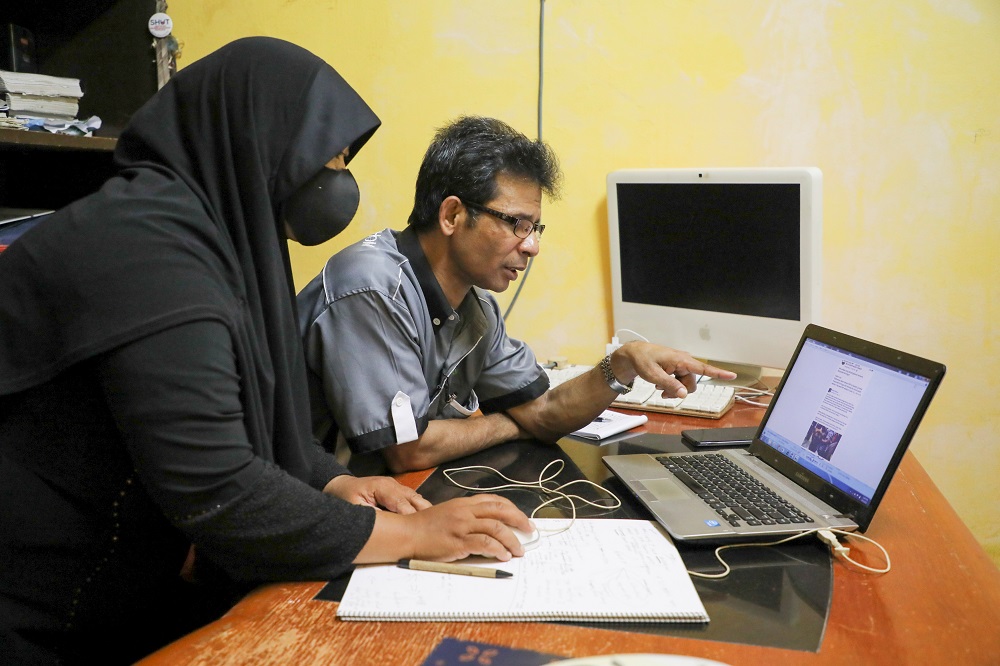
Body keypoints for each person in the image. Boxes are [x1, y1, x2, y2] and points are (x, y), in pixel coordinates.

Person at [0, 39, 531, 666]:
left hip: (119, 590)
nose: (340, 182)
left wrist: (332, 481)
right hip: (37, 615)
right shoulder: (144, 247)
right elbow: (221, 489)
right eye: (331, 159)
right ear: (264, 138)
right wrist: (413, 533)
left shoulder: (216, 241)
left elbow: (254, 420)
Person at [297, 115, 737, 474]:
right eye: (516, 224)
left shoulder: (477, 308)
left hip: (396, 495)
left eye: (535, 227)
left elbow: (542, 411)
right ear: (452, 214)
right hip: (316, 509)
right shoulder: (374, 286)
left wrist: (621, 364)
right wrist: (509, 424)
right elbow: (408, 450)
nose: (532, 245)